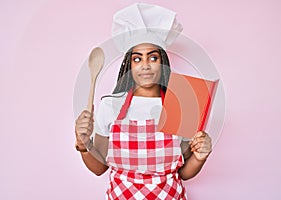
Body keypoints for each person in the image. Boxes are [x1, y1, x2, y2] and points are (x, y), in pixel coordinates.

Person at [75, 3, 212, 200]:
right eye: (137, 59)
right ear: (129, 65)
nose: (145, 65)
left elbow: (183, 173)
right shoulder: (110, 106)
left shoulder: (182, 104)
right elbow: (99, 168)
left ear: (162, 62)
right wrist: (83, 144)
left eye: (153, 57)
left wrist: (200, 156)